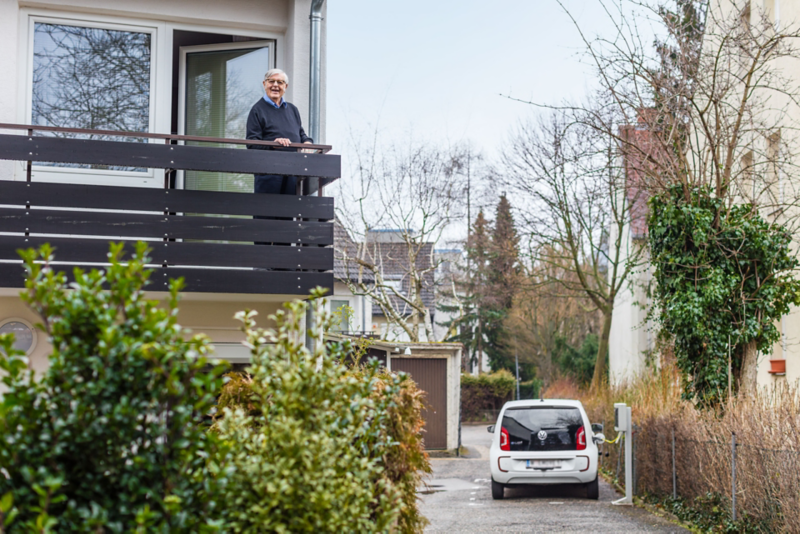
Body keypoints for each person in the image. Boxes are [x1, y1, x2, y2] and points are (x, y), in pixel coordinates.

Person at [246, 68, 313, 195]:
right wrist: (273, 143)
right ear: (264, 84)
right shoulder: (257, 110)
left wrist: (307, 142)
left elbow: (301, 134)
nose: (275, 85)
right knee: (267, 212)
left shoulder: (293, 110)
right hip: (268, 173)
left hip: (293, 172)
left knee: (288, 212)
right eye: (271, 81)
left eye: (280, 82)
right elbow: (252, 143)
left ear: (285, 86)